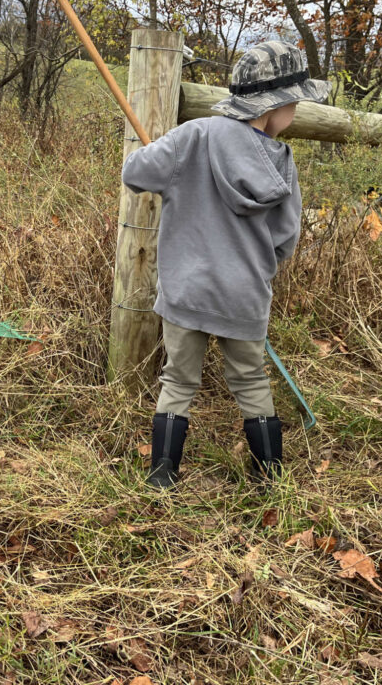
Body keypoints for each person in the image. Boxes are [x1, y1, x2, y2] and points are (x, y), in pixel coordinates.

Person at [121, 41, 329, 489]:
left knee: (177, 380)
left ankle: (162, 477)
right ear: (271, 108)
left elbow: (135, 172)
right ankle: (269, 477)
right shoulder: (282, 163)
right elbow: (285, 240)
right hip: (245, 295)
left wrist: (166, 153)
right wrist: (254, 268)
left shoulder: (193, 136)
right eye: (293, 103)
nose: (295, 113)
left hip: (186, 290)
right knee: (251, 380)